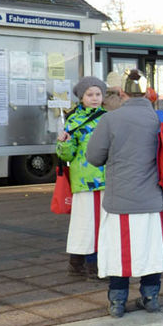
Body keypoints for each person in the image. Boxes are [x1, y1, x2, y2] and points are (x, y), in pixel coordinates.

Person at [86, 70, 163, 317]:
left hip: (120, 200)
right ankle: (151, 297)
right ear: (147, 92)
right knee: (151, 250)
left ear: (122, 92)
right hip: (154, 198)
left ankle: (117, 302)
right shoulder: (162, 118)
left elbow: (93, 157)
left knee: (119, 252)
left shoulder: (110, 120)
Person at [56, 76, 107, 279]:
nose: (94, 98)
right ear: (82, 97)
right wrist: (64, 143)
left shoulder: (108, 117)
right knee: (85, 222)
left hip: (104, 179)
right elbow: (65, 155)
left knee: (97, 222)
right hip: (84, 180)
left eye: (98, 94)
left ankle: (80, 264)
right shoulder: (73, 120)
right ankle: (89, 265)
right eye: (90, 94)